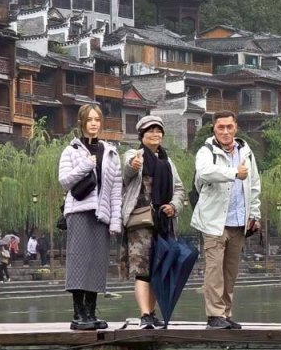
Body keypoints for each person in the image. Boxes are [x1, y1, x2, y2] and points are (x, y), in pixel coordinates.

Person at [190, 110, 262, 329]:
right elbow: (204, 173)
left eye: (229, 127)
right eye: (220, 127)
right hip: (214, 222)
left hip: (239, 221)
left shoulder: (246, 152)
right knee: (214, 270)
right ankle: (214, 315)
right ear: (214, 128)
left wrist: (255, 214)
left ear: (236, 127)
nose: (225, 131)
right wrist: (233, 173)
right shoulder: (206, 151)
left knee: (230, 271)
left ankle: (226, 313)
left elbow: (254, 184)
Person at [58, 103, 122, 330]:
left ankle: (91, 313)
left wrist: (115, 220)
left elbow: (115, 190)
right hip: (79, 211)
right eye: (89, 119)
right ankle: (79, 314)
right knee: (78, 261)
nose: (94, 123)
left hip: (102, 214)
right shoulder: (71, 150)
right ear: (82, 123)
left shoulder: (111, 153)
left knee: (97, 263)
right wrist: (86, 165)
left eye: (97, 119)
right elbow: (64, 180)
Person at [120, 115, 186, 329]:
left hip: (162, 221)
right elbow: (127, 171)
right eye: (150, 131)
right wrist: (134, 164)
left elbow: (179, 189)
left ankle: (152, 312)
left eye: (158, 130)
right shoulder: (134, 154)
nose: (155, 134)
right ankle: (144, 314)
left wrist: (174, 206)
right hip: (140, 222)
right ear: (141, 135)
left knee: (159, 268)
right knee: (142, 269)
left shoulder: (168, 161)